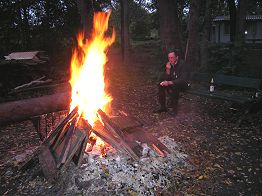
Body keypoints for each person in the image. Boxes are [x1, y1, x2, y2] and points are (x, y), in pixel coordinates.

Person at [154, 51, 189, 115]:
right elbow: (166, 78)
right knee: (160, 85)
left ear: (177, 57)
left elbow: (183, 79)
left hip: (184, 84)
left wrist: (170, 82)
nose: (170, 59)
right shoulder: (169, 65)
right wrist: (168, 70)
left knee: (175, 86)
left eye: (172, 57)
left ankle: (174, 110)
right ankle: (163, 107)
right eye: (169, 58)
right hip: (173, 83)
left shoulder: (182, 65)